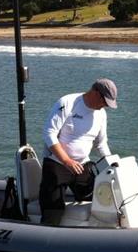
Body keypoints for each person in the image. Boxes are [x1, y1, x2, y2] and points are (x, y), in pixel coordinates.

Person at [39, 78, 118, 223]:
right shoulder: (68, 103)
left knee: (98, 201)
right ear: (95, 93)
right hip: (57, 164)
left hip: (82, 165)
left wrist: (113, 165)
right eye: (104, 102)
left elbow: (101, 144)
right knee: (53, 211)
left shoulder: (101, 114)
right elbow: (49, 133)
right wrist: (67, 161)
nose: (104, 107)